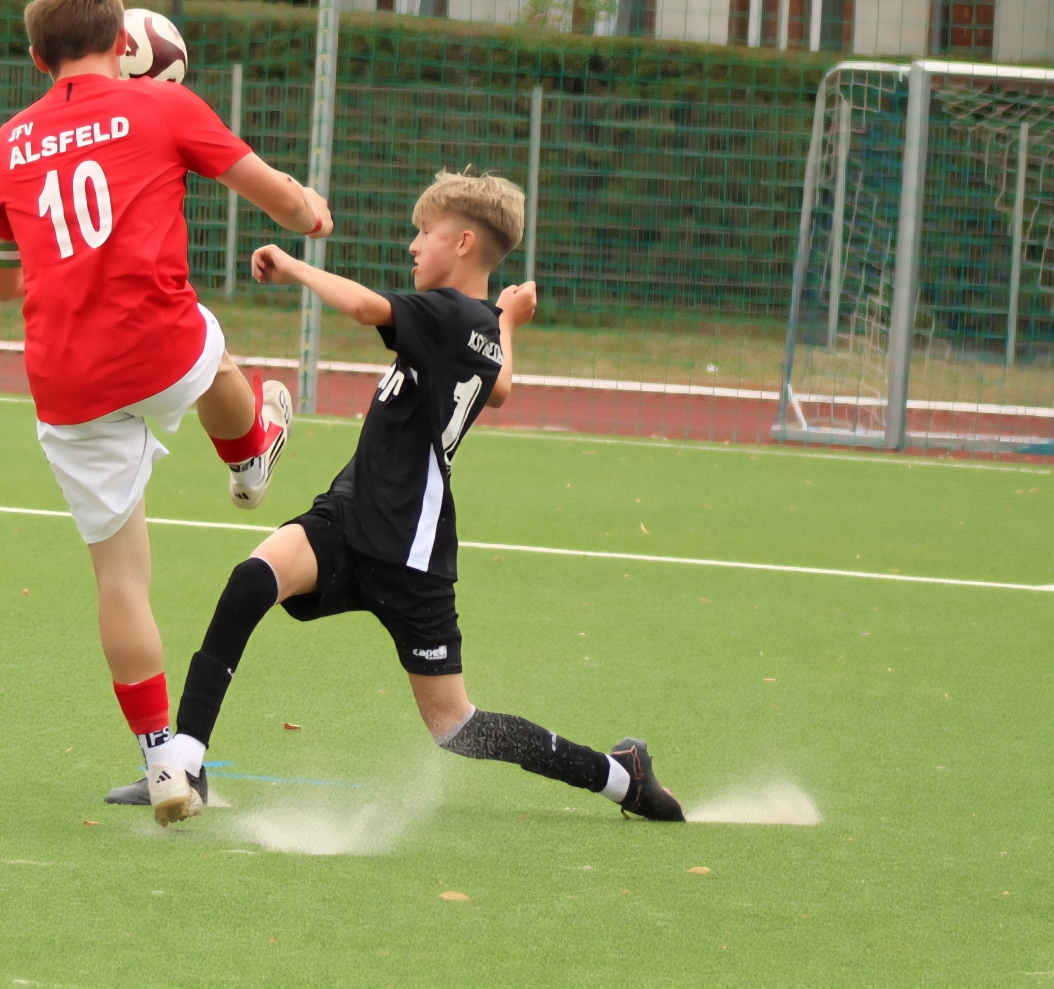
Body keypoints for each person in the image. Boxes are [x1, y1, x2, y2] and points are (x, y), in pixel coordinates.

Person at [144, 171, 686, 821]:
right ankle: (186, 763)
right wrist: (508, 320)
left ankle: (620, 776)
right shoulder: (474, 323)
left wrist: (294, 266)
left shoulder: (448, 314)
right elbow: (501, 388)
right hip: (351, 516)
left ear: (463, 243)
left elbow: (365, 308)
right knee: (252, 580)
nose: (413, 245)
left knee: (456, 726)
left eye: (424, 232)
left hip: (410, 554)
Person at [0, 0, 332, 824]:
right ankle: (250, 455)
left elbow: (1, 282)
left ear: (36, 59)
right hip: (157, 342)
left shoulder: (6, 142)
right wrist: (311, 213)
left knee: (121, 577)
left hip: (67, 378)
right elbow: (280, 199)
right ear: (123, 43)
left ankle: (161, 759)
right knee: (209, 351)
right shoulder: (164, 107)